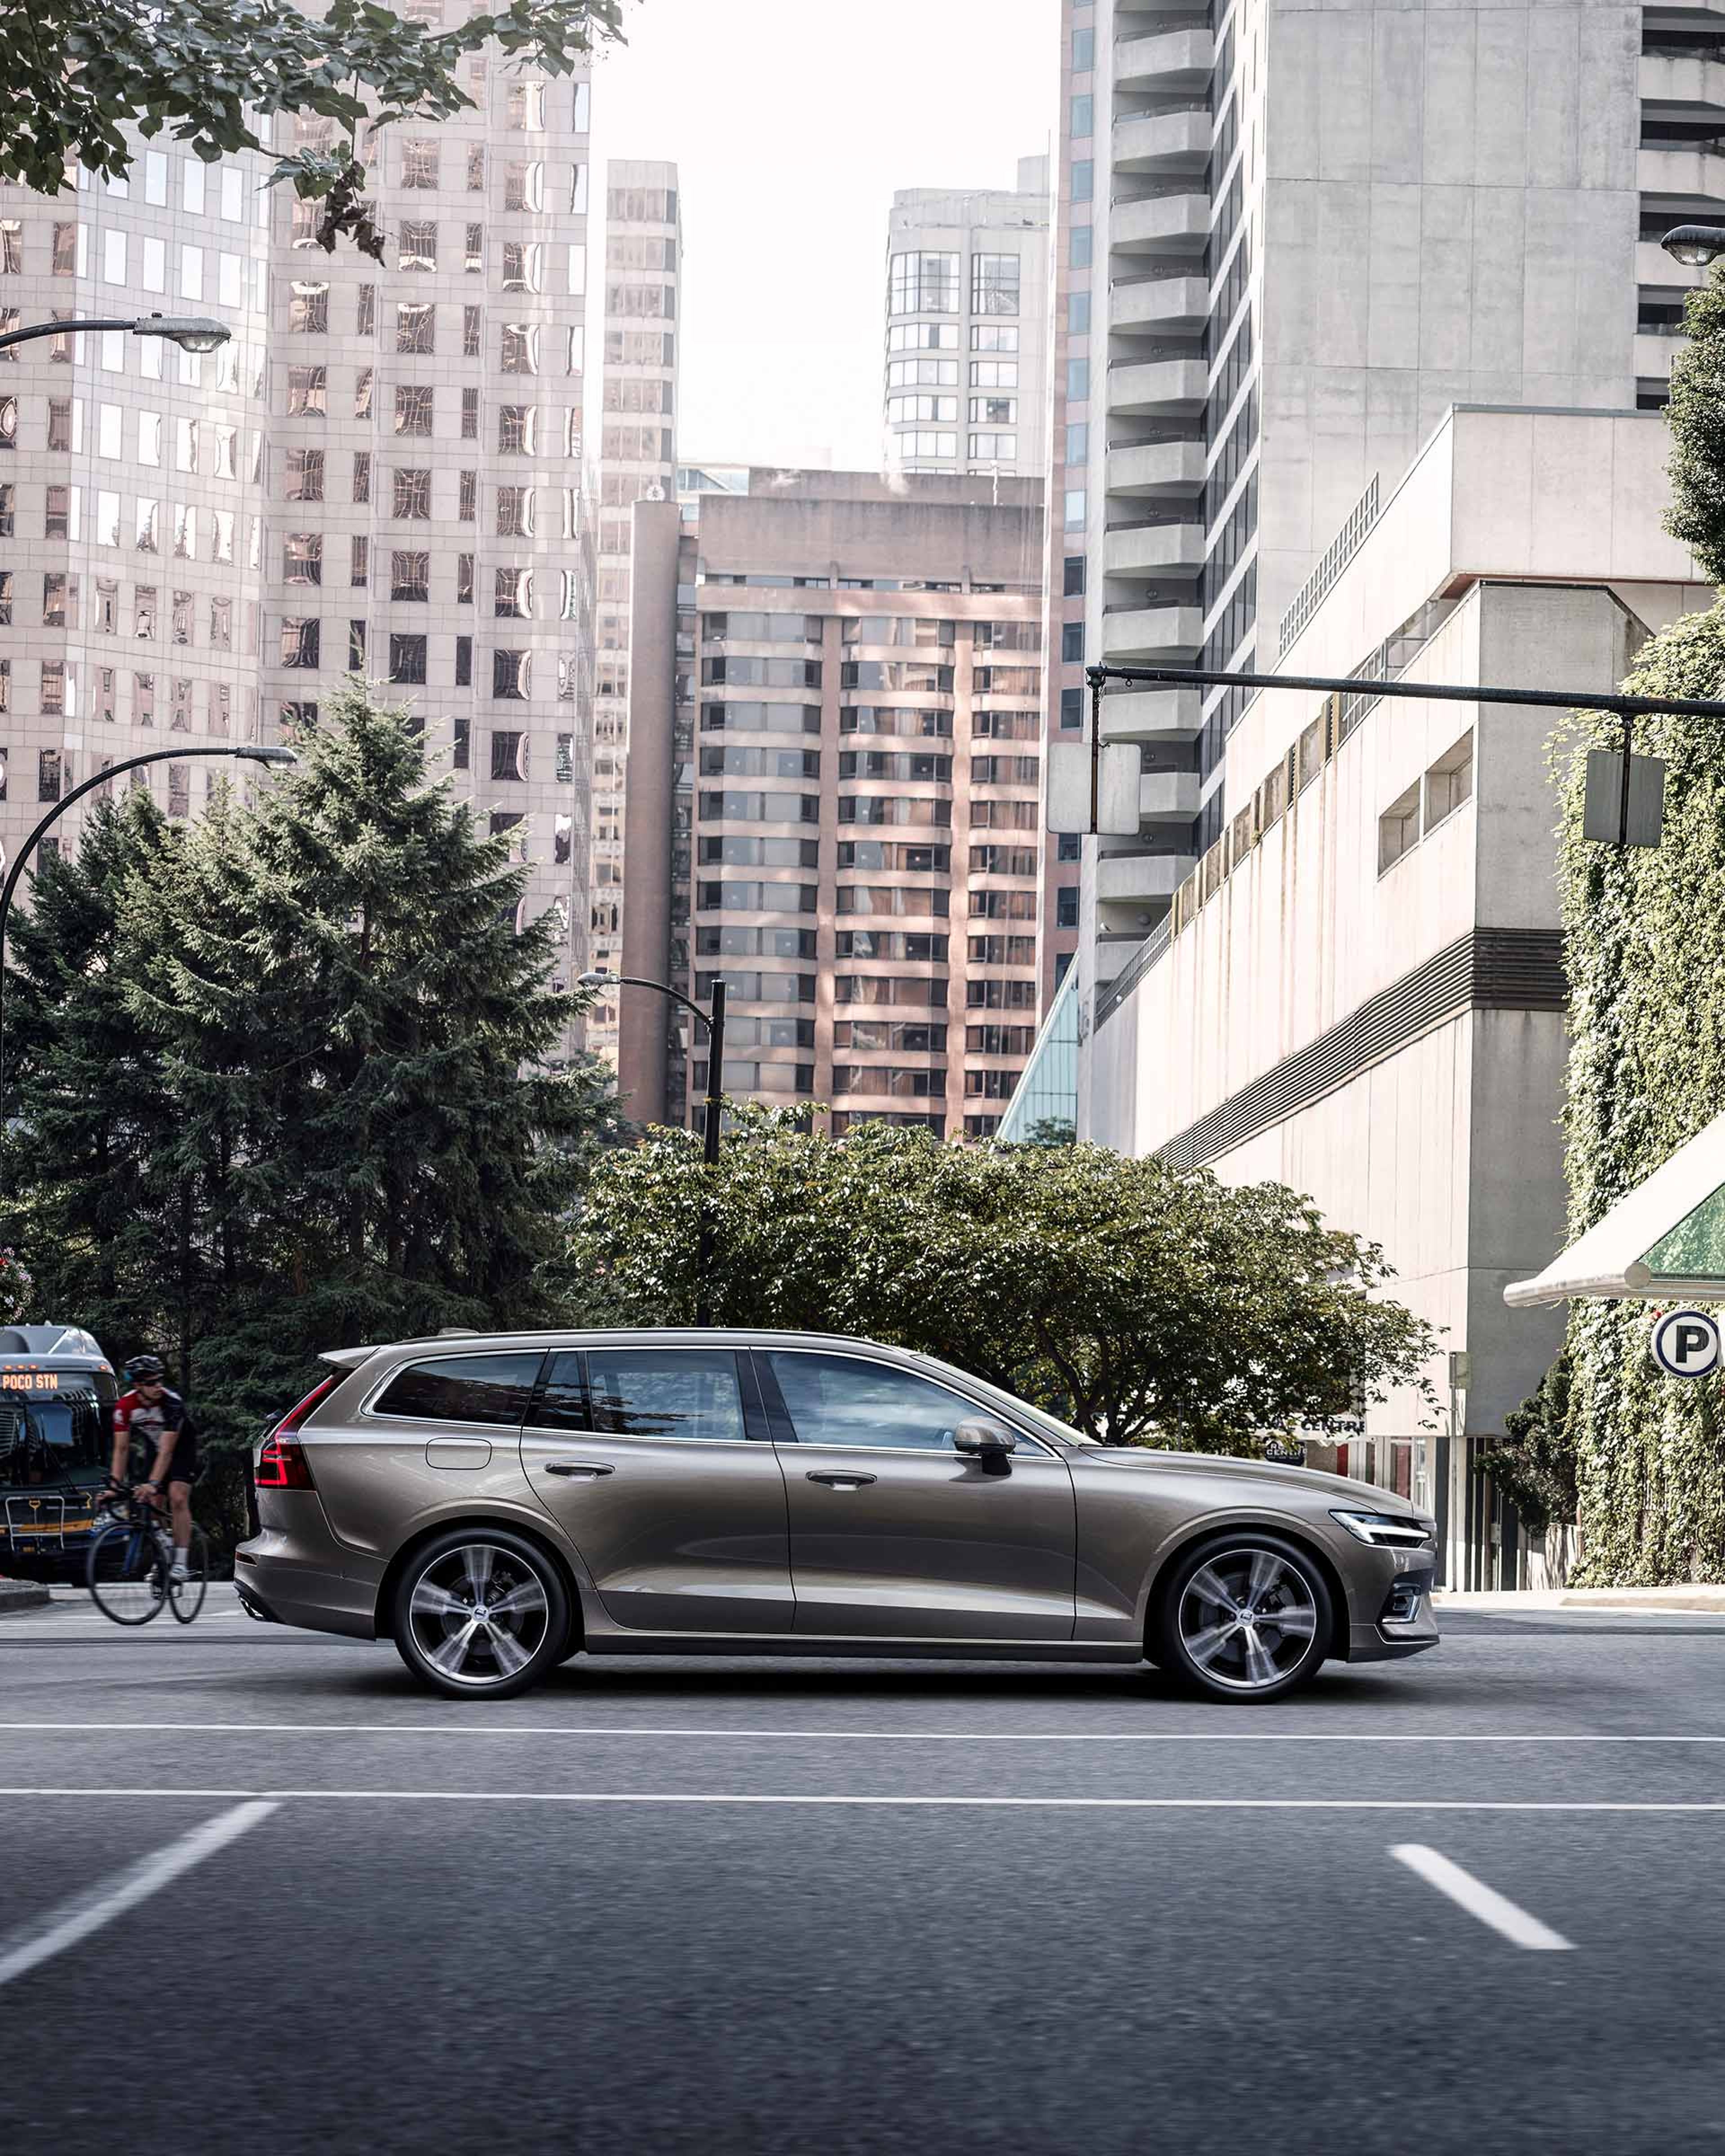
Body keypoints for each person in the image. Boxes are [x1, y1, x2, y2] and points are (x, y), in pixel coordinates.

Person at [110, 1354, 197, 1582]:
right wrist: (114, 1486)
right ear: (138, 1385)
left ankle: (180, 1563)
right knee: (153, 1503)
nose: (158, 1386)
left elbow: (168, 1452)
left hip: (180, 1448)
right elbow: (121, 1450)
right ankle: (163, 1556)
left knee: (177, 1496)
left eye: (160, 1380)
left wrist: (153, 1484)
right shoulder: (125, 1407)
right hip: (154, 1448)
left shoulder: (172, 1403)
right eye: (151, 1383)